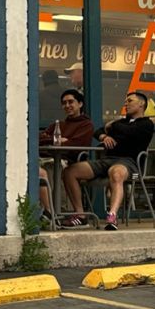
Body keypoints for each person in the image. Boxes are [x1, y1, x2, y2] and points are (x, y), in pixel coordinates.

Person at [60, 91, 155, 230]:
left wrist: (113, 125)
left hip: (129, 163)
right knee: (69, 172)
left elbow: (129, 132)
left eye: (130, 101)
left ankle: (112, 216)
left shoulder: (146, 124)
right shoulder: (120, 123)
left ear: (141, 104)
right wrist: (104, 136)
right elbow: (96, 131)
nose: (126, 103)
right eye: (126, 101)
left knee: (115, 172)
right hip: (107, 160)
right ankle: (80, 215)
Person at [36, 89, 94, 220]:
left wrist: (56, 141)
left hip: (70, 162)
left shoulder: (86, 125)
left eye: (70, 102)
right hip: (47, 157)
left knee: (50, 167)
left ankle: (56, 210)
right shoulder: (58, 124)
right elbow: (39, 139)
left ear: (80, 104)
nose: (67, 106)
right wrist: (55, 140)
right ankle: (47, 210)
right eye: (64, 103)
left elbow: (77, 145)